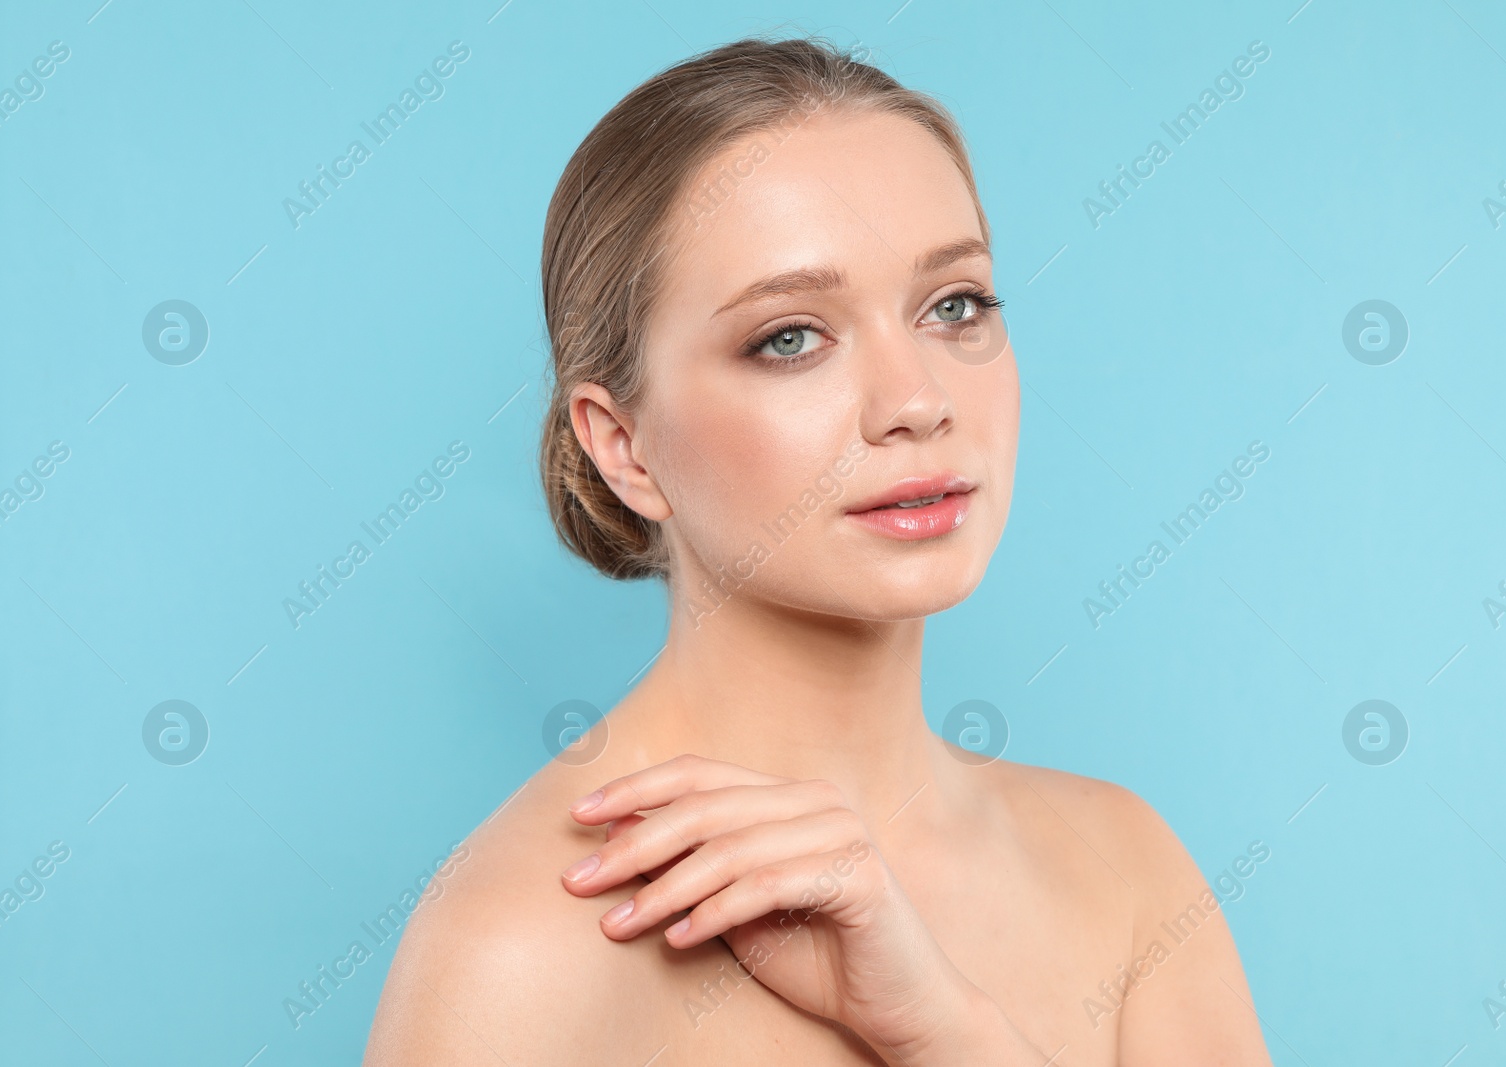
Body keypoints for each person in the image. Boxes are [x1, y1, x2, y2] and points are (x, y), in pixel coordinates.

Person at [364, 34, 1273, 1066]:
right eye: (789, 336)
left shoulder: (1126, 870)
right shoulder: (523, 948)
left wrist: (947, 1033)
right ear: (622, 446)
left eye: (954, 305)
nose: (917, 400)